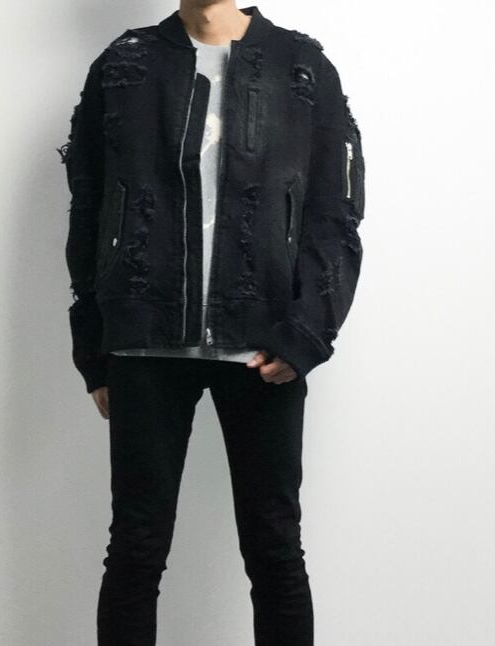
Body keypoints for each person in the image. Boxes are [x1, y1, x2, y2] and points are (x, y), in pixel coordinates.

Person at [57, 2, 365, 644]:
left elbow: (334, 212)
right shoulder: (125, 64)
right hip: (143, 344)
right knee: (136, 550)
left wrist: (307, 333)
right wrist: (94, 347)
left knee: (275, 548)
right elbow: (88, 204)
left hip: (263, 348)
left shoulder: (301, 65)